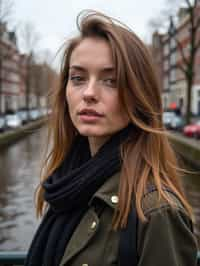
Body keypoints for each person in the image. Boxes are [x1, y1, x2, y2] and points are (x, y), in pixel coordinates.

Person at [25, 10, 198, 266]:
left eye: (111, 81)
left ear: (139, 95)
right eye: (78, 78)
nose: (89, 93)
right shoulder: (68, 185)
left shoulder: (157, 213)